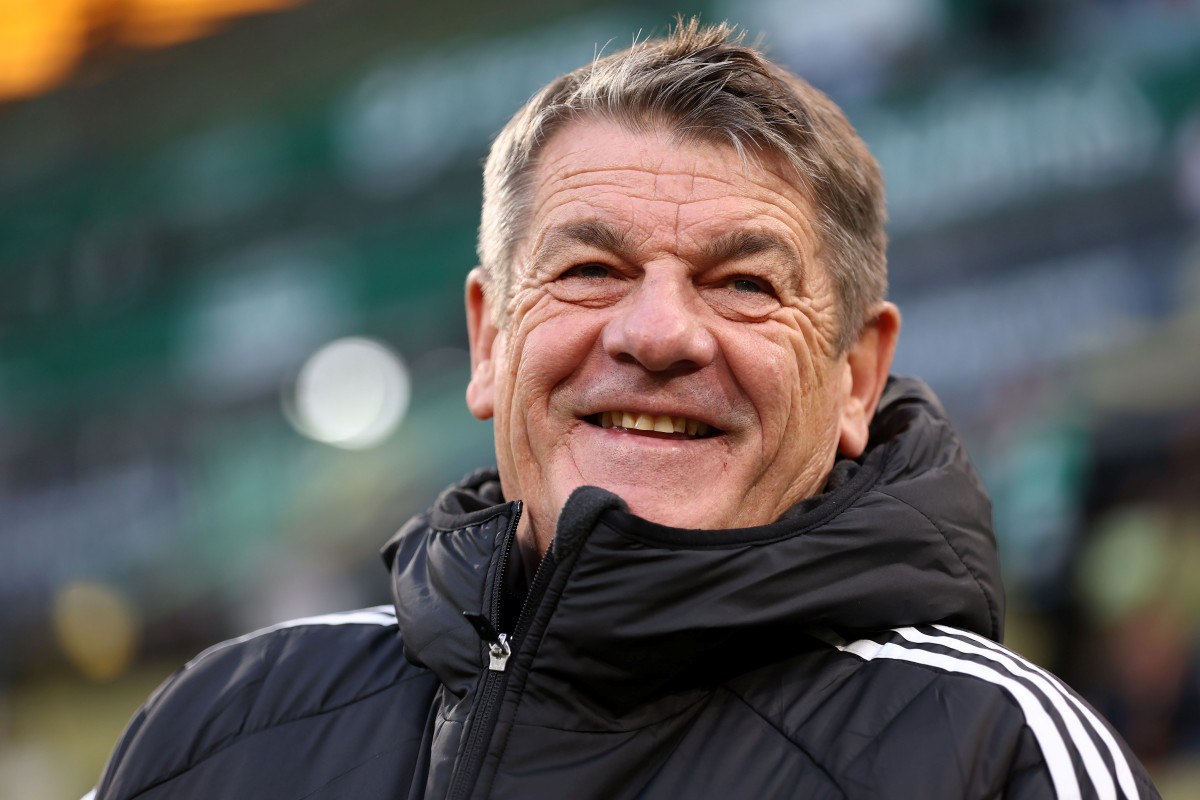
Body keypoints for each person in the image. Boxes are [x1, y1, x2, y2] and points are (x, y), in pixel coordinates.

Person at [90, 19, 1160, 800]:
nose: (657, 333)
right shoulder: (220, 726)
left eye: (743, 283)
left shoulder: (995, 756)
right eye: (591, 269)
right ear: (490, 341)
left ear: (855, 378)